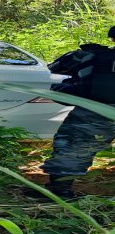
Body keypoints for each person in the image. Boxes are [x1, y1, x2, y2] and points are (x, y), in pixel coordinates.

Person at [41, 26, 115, 198]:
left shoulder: (96, 56)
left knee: (76, 146)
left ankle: (60, 190)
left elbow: (56, 69)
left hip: (99, 111)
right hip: (100, 110)